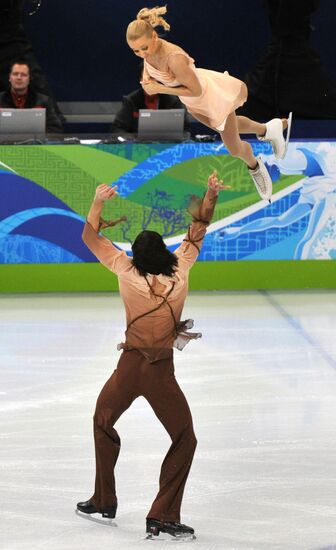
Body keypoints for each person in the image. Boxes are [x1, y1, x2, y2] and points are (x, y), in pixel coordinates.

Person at [76, 171, 229, 540]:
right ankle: (162, 515)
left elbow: (89, 237)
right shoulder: (182, 268)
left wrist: (99, 201)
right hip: (161, 371)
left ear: (136, 256)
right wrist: (209, 192)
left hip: (129, 368)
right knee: (184, 438)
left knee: (102, 421)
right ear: (163, 251)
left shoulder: (126, 270)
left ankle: (103, 499)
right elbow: (199, 225)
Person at [126, 6, 292, 202]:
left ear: (154, 36)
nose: (141, 53)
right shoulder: (148, 51)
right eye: (135, 50)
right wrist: (147, 79)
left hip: (209, 96)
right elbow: (149, 65)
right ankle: (268, 129)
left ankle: (254, 164)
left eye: (144, 48)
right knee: (229, 127)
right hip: (193, 101)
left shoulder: (174, 59)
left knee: (234, 147)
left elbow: (196, 90)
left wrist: (160, 89)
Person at [0, 59, 63, 133]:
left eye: (23, 75)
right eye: (15, 74)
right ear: (9, 77)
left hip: (34, 144)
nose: (19, 78)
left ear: (29, 78)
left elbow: (55, 129)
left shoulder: (44, 101)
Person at [111, 86, 189, 134]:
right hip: (138, 148)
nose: (150, 83)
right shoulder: (131, 100)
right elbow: (118, 128)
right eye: (146, 79)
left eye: (153, 79)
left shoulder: (173, 100)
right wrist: (133, 140)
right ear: (141, 79)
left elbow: (185, 129)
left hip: (168, 147)